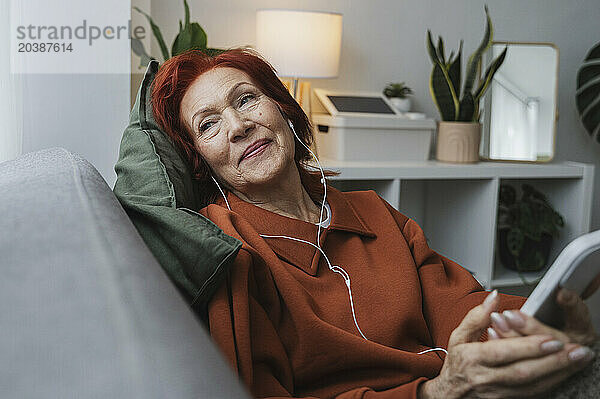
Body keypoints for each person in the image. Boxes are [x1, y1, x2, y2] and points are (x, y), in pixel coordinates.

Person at [149, 47, 598, 399]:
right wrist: (432, 392)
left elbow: (463, 306)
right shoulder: (224, 246)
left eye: (246, 99)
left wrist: (540, 325)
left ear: (283, 110)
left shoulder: (371, 211)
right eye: (209, 125)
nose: (239, 125)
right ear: (201, 163)